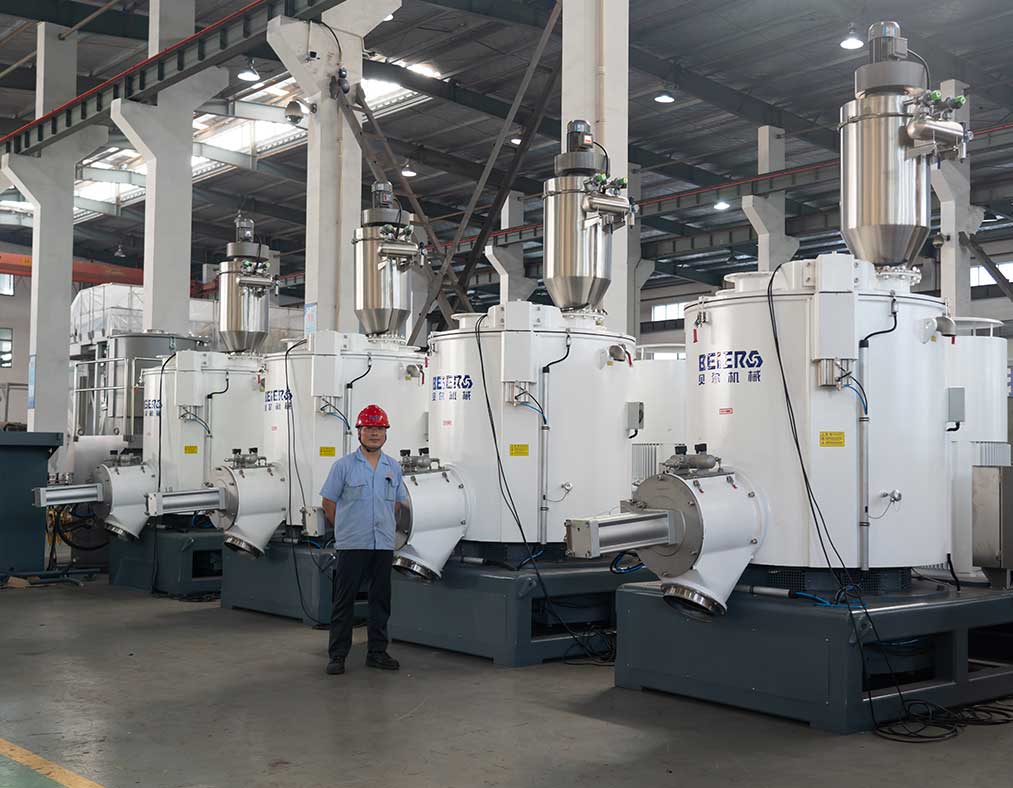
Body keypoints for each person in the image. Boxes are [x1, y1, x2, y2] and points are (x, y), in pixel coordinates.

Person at [319, 404, 408, 675]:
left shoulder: (393, 467)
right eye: (369, 428)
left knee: (380, 600)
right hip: (352, 544)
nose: (374, 433)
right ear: (359, 432)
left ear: (386, 433)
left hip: (383, 544)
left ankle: (377, 652)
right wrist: (346, 528)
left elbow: (398, 503)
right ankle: (338, 656)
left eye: (379, 428)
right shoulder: (343, 466)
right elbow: (328, 502)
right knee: (344, 601)